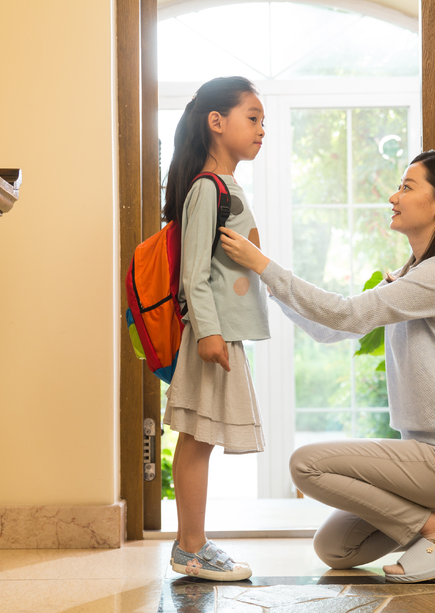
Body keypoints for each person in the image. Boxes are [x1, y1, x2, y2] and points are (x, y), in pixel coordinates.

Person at [219, 149, 435, 583]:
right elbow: (331, 329)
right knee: (337, 549)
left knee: (307, 465)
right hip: (427, 460)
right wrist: (267, 282)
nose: (394, 196)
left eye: (407, 187)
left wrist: (263, 264)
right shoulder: (412, 273)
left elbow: (344, 314)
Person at [162, 76, 269, 582]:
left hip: (223, 332)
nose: (261, 129)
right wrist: (207, 332)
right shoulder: (208, 188)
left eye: (263, 120)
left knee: (198, 439)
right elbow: (193, 273)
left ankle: (193, 544)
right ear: (217, 121)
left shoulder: (225, 186)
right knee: (196, 438)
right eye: (253, 117)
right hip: (212, 335)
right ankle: (190, 548)